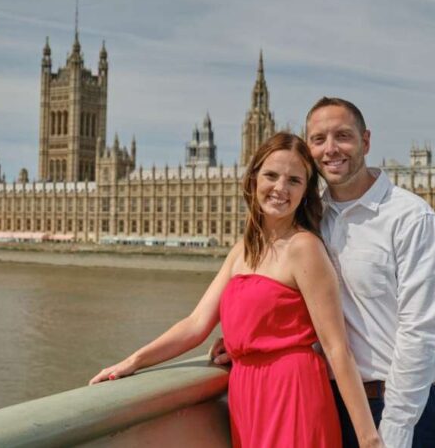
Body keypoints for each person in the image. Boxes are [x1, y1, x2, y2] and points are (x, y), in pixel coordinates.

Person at [90, 133, 383, 448]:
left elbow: (337, 348)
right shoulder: (243, 250)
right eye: (271, 175)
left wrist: (369, 440)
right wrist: (133, 361)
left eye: (294, 181)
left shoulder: (304, 248)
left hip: (292, 393)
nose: (280, 188)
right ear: (253, 178)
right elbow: (195, 324)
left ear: (305, 192)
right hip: (247, 395)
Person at [213, 98, 435, 447]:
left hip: (404, 409)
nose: (330, 149)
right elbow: (295, 299)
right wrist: (249, 336)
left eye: (343, 136)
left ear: (366, 141)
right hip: (333, 401)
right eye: (318, 139)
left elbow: (420, 333)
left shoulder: (411, 218)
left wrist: (394, 431)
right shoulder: (311, 217)